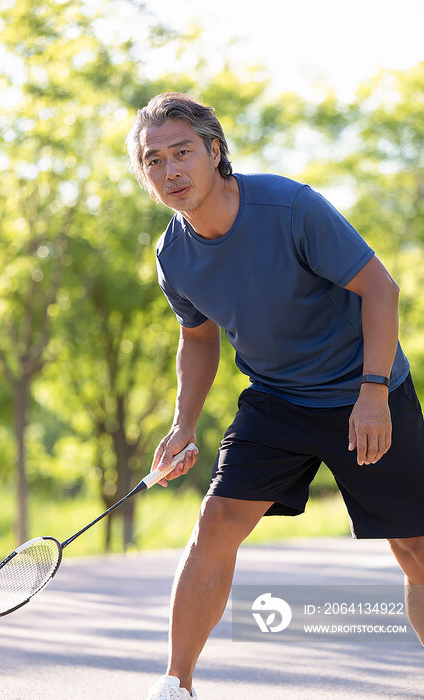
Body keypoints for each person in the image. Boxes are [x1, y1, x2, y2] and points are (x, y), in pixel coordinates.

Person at [126, 92, 424, 700]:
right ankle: (175, 685)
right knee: (214, 526)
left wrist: (371, 395)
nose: (169, 171)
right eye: (153, 161)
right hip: (277, 398)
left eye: (181, 152)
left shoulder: (290, 207)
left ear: (214, 152)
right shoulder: (173, 254)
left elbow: (381, 290)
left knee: (415, 546)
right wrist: (183, 425)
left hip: (362, 387)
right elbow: (199, 339)